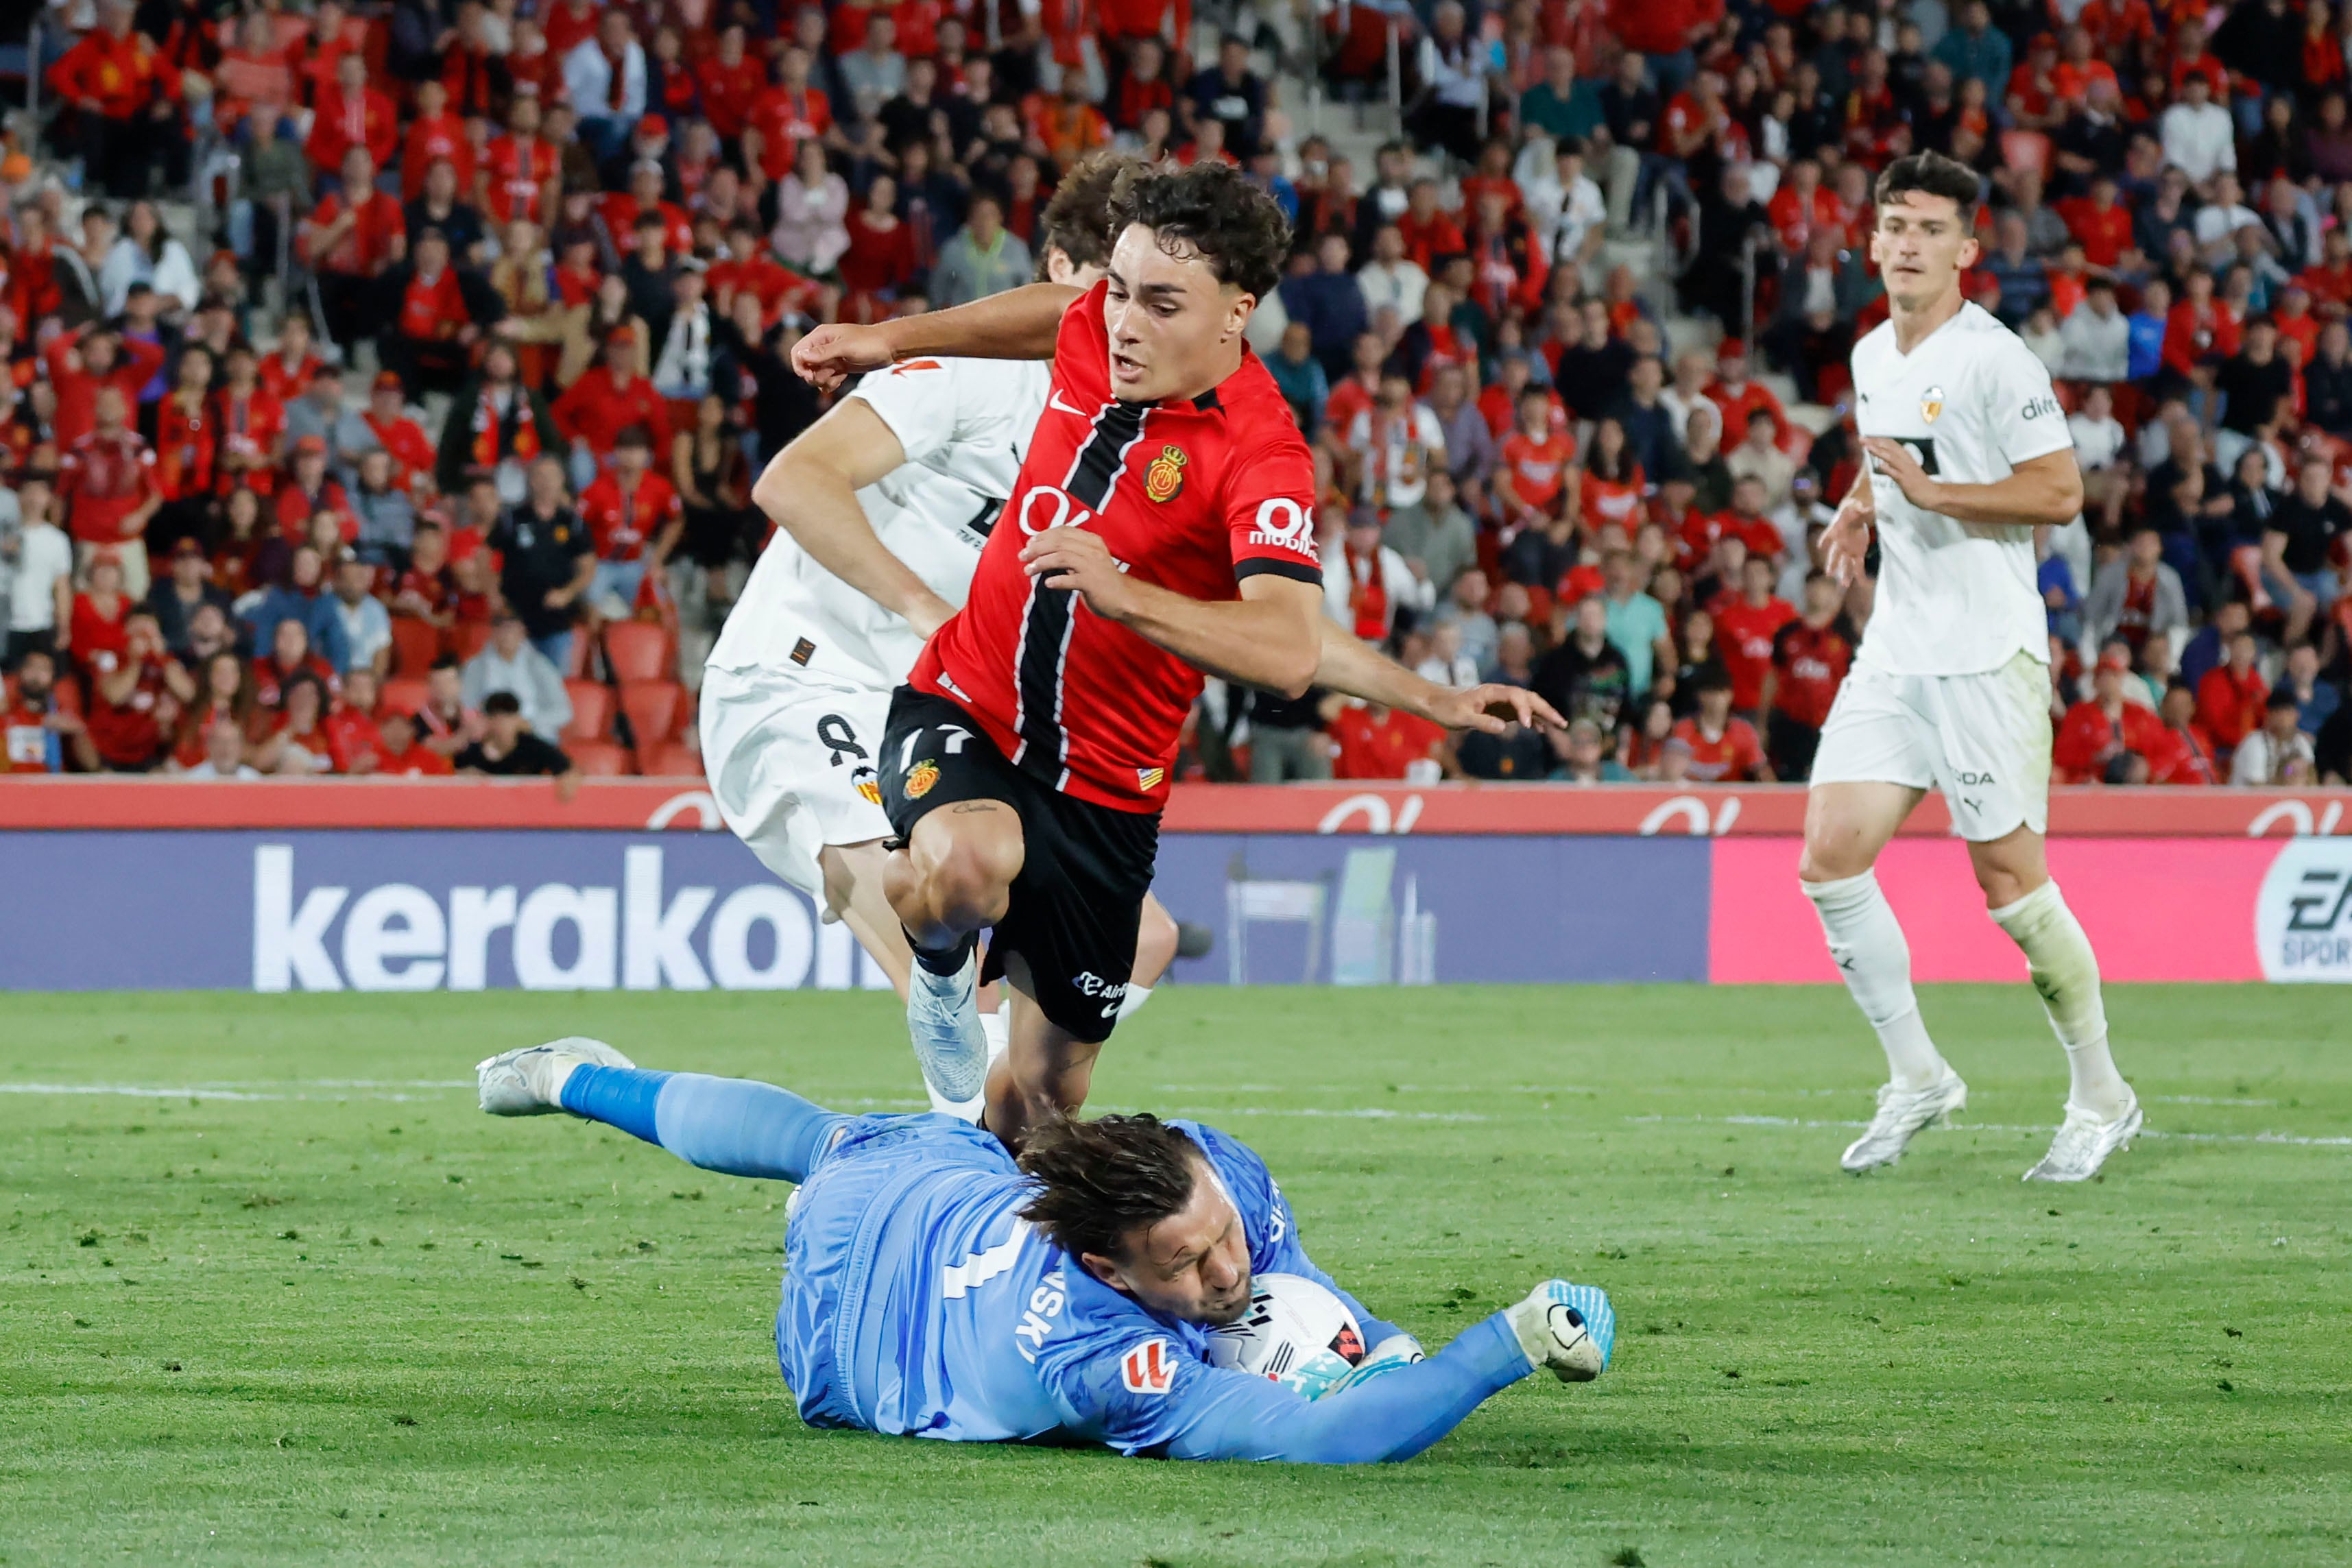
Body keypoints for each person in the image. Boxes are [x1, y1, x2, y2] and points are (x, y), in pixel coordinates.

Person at [788, 162, 1552, 1144]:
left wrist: (1424, 696)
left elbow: (1285, 645)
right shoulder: (1094, 328)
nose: (1120, 324)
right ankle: (938, 974)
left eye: (1160, 303)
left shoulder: (1261, 453)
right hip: (966, 704)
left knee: (1040, 1106)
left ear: (1237, 312)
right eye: (1117, 290)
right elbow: (1052, 310)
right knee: (967, 865)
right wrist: (890, 339)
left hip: (1107, 794)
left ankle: (967, 1199)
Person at [475, 1037, 1615, 1460]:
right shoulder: (1102, 1354)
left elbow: (1304, 1288)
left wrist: (1390, 1352)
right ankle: (574, 1080)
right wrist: (1502, 1342)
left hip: (939, 1195)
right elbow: (1322, 1442)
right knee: (826, 1163)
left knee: (826, 1138)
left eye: (1222, 1235)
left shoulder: (1212, 1171)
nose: (1227, 1270)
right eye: (1187, 1265)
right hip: (848, 1343)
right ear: (1112, 1271)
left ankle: (574, 1075)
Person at [1808, 152, 2138, 1183]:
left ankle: (2102, 1095)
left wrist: (1932, 496)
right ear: (1872, 239)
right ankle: (1918, 1076)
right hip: (1898, 647)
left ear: (1965, 249)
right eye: (1894, 224)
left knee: (2011, 887)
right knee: (1829, 856)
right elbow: (1894, 458)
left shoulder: (1998, 361)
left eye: (1929, 229)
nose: (1907, 244)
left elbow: (2059, 494)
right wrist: (1860, 507)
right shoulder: (1872, 353)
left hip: (1986, 652)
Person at [490, 456, 597, 671]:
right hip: (515, 620)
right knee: (514, 680)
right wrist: (492, 593)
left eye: (552, 477)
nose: (546, 483)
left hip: (556, 622)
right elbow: (486, 556)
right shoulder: (512, 519)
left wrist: (567, 593)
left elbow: (588, 568)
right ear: (531, 481)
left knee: (554, 682)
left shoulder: (573, 523)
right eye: (540, 476)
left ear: (561, 480)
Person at [461, 610, 574, 736]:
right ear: (493, 632)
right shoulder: (476, 667)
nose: (507, 635)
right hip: (490, 734)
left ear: (523, 632)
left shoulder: (540, 665)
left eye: (512, 629)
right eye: (502, 629)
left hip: (533, 733)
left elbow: (563, 712)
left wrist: (528, 723)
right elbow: (466, 706)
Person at [455, 690, 577, 777]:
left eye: (508, 718)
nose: (502, 725)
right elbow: (453, 776)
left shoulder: (533, 747)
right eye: (496, 719)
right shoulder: (473, 752)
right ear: (487, 720)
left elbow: (567, 768)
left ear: (518, 719)